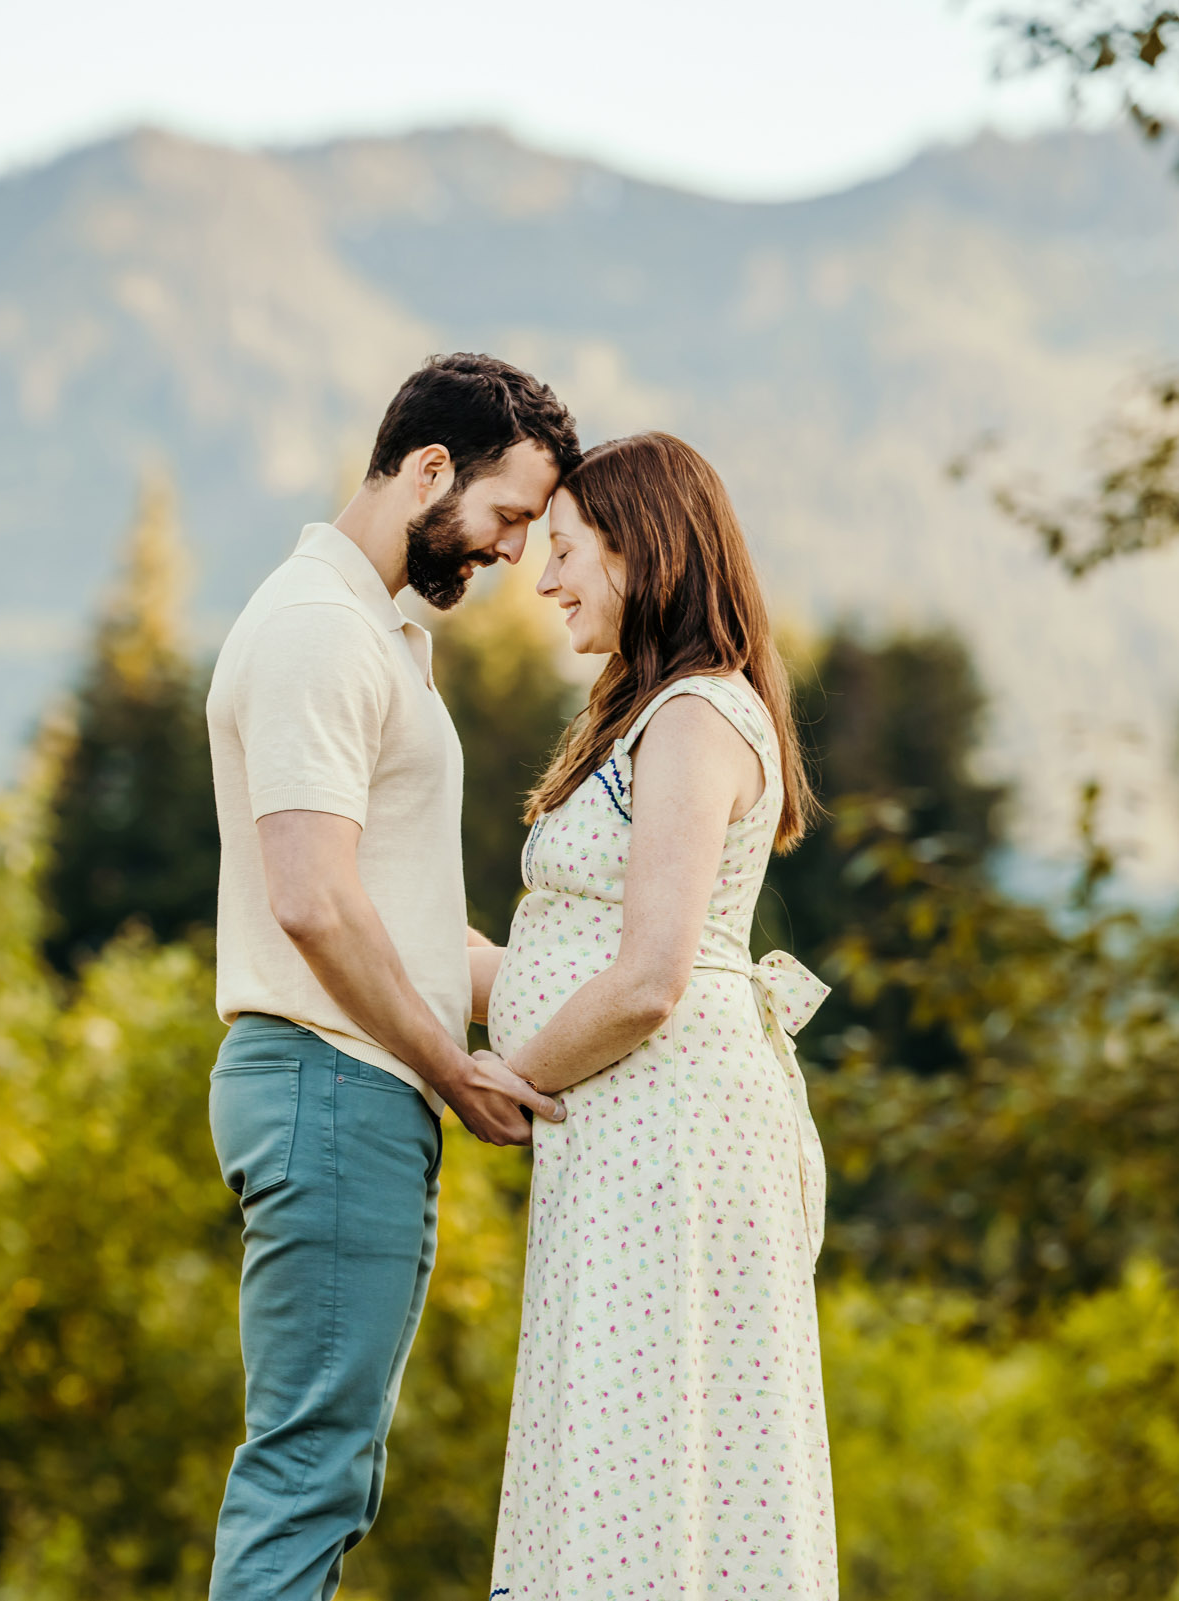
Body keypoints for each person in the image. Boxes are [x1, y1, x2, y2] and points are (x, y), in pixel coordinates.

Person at [204, 353, 580, 1601]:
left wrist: (616, 985)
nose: (514, 554)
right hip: (333, 1080)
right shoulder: (321, 629)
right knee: (310, 1469)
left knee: (334, 1466)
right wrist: (450, 1067)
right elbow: (313, 898)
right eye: (507, 516)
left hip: (351, 1082)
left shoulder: (374, 632)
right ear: (430, 470)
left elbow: (411, 931)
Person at [480, 431, 839, 1598]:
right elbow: (568, 952)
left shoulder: (694, 715)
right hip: (630, 1134)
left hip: (670, 1136)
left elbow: (647, 977)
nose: (544, 580)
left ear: (646, 549)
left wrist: (508, 1074)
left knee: (654, 1443)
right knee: (621, 1438)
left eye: (568, 548)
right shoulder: (650, 714)